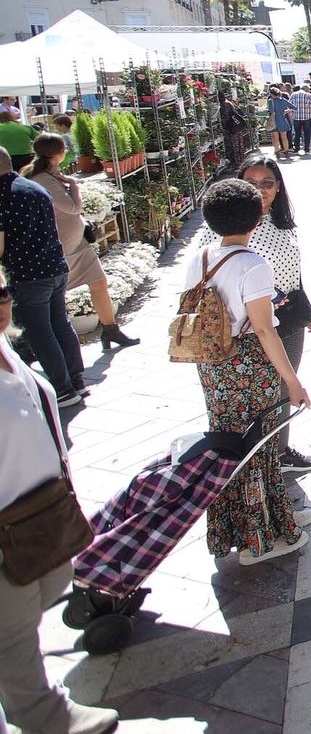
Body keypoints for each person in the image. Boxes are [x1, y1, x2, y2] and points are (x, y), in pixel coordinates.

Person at [0, 274, 121, 734]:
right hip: (6, 530)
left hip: (43, 513)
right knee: (12, 639)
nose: (0, 305)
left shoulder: (7, 350)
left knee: (40, 599)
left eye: (2, 292)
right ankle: (47, 718)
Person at [187, 179, 311, 564]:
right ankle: (257, 539)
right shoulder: (252, 264)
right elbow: (263, 327)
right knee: (255, 447)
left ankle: (269, 519)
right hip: (247, 364)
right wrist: (292, 379)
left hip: (213, 363)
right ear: (256, 218)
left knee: (230, 445)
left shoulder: (200, 257)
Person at [196, 157, 311, 476]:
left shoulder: (282, 223)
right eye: (251, 183)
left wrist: (305, 308)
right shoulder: (228, 226)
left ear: (278, 187)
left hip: (290, 319)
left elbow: (293, 271)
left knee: (282, 388)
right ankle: (264, 457)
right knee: (268, 393)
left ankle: (279, 451)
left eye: (266, 183)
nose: (260, 190)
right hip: (254, 327)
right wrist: (270, 296)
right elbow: (213, 277)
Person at [21, 134, 139, 353]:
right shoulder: (42, 179)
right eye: (64, 148)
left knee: (99, 282)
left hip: (77, 245)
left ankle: (110, 328)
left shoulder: (49, 174)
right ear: (57, 152)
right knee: (60, 294)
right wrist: (74, 184)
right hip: (64, 247)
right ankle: (43, 341)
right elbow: (73, 207)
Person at [0, 146, 85, 406]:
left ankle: (62, 388)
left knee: (40, 331)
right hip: (54, 266)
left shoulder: (3, 194)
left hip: (27, 274)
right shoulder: (33, 187)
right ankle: (76, 379)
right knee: (59, 323)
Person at [287, 83, 311, 156]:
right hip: (307, 117)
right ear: (306, 89)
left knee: (297, 134)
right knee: (307, 134)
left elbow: (289, 105)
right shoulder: (308, 95)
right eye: (309, 89)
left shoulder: (293, 95)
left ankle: (296, 149)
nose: (309, 90)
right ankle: (307, 149)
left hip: (296, 117)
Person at [220, 93, 250, 168]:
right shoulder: (229, 103)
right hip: (236, 127)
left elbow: (225, 119)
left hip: (231, 129)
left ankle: (235, 163)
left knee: (233, 146)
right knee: (238, 144)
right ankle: (240, 161)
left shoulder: (224, 105)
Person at [267, 87, 293, 157]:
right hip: (283, 119)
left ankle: (277, 152)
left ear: (272, 94)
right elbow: (294, 107)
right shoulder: (283, 100)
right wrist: (287, 110)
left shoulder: (270, 101)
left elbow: (270, 111)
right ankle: (286, 151)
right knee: (284, 137)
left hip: (274, 120)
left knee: (275, 138)